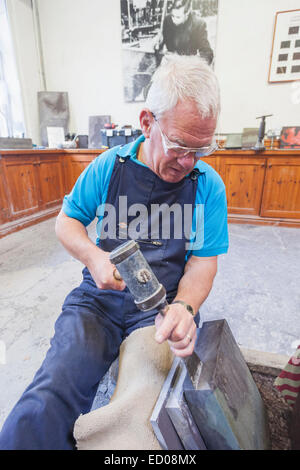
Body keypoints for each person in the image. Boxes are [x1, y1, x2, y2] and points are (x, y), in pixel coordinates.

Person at [0, 54, 228, 450]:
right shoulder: (111, 165)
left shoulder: (208, 185)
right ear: (147, 122)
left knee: (140, 414)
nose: (188, 161)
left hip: (159, 314)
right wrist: (93, 256)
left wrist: (186, 308)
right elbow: (66, 222)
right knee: (51, 391)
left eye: (201, 149)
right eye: (178, 146)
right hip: (98, 301)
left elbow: (203, 262)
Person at [154, 0, 214, 64]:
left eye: (178, 17)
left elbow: (208, 54)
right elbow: (159, 48)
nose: (174, 20)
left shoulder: (198, 24)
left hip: (188, 66)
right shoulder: (167, 20)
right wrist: (157, 45)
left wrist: (186, 62)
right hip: (170, 65)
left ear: (187, 13)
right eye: (172, 16)